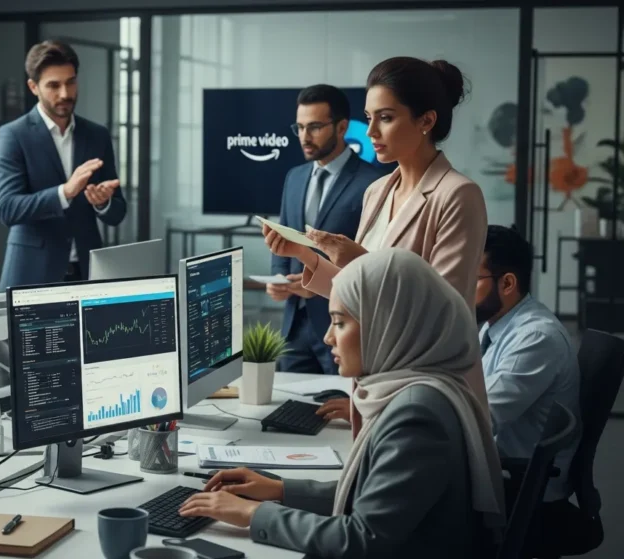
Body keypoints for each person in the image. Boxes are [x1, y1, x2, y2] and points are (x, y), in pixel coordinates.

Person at [179, 248, 504, 558]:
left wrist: (253, 513)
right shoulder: (416, 390)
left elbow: (361, 539)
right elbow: (373, 495)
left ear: (386, 325)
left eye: (340, 322)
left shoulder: (416, 415)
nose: (328, 338)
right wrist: (279, 489)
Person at [264, 57, 490, 414]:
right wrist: (307, 255)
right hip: (376, 378)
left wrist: (359, 260)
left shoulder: (458, 195)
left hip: (425, 389)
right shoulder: (378, 191)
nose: (370, 133)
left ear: (426, 121)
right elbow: (357, 292)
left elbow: (444, 315)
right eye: (369, 119)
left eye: (385, 118)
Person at [476, 225, 590, 555]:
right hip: (502, 473)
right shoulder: (495, 326)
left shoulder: (535, 338)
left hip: (522, 490)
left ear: (507, 283)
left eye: (470, 276)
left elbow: (482, 418)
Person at [0, 39, 127, 289]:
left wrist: (103, 203)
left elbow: (118, 212)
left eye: (71, 82)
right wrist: (65, 192)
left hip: (87, 273)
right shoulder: (14, 135)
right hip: (32, 274)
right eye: (53, 85)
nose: (65, 94)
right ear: (33, 87)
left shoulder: (97, 135)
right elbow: (8, 208)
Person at [270, 84, 382, 375]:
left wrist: (316, 286)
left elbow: (374, 260)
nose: (305, 137)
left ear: (342, 127)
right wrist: (279, 281)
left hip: (344, 325)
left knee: (339, 412)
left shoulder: (373, 183)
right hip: (294, 326)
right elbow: (282, 240)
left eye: (315, 127)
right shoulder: (294, 178)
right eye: (300, 127)